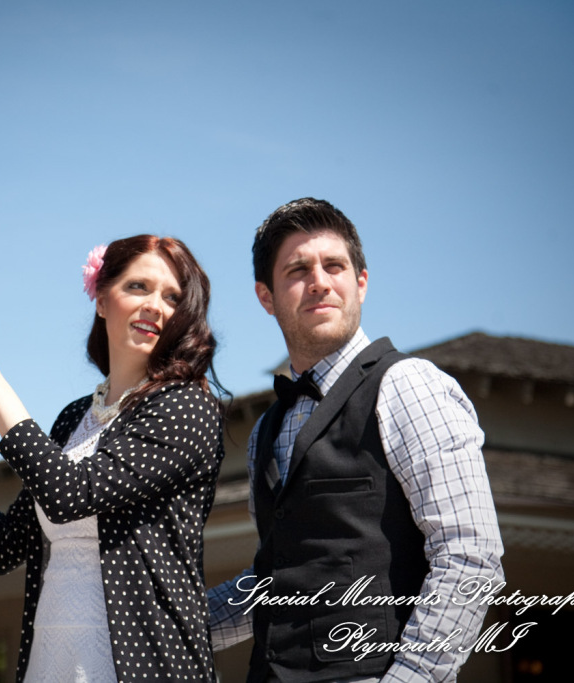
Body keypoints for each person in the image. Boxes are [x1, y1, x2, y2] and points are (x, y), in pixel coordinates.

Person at [207, 198, 504, 682]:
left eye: (334, 266)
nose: (320, 281)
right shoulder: (265, 429)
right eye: (298, 269)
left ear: (361, 282)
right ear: (267, 297)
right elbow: (277, 577)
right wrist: (175, 623)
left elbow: (469, 556)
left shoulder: (410, 385)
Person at [0, 235, 226, 682]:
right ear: (102, 299)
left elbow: (70, 494)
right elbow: (6, 545)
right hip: (51, 661)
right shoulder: (73, 419)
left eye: (172, 297)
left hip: (141, 667)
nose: (155, 306)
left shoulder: (186, 407)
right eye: (138, 287)